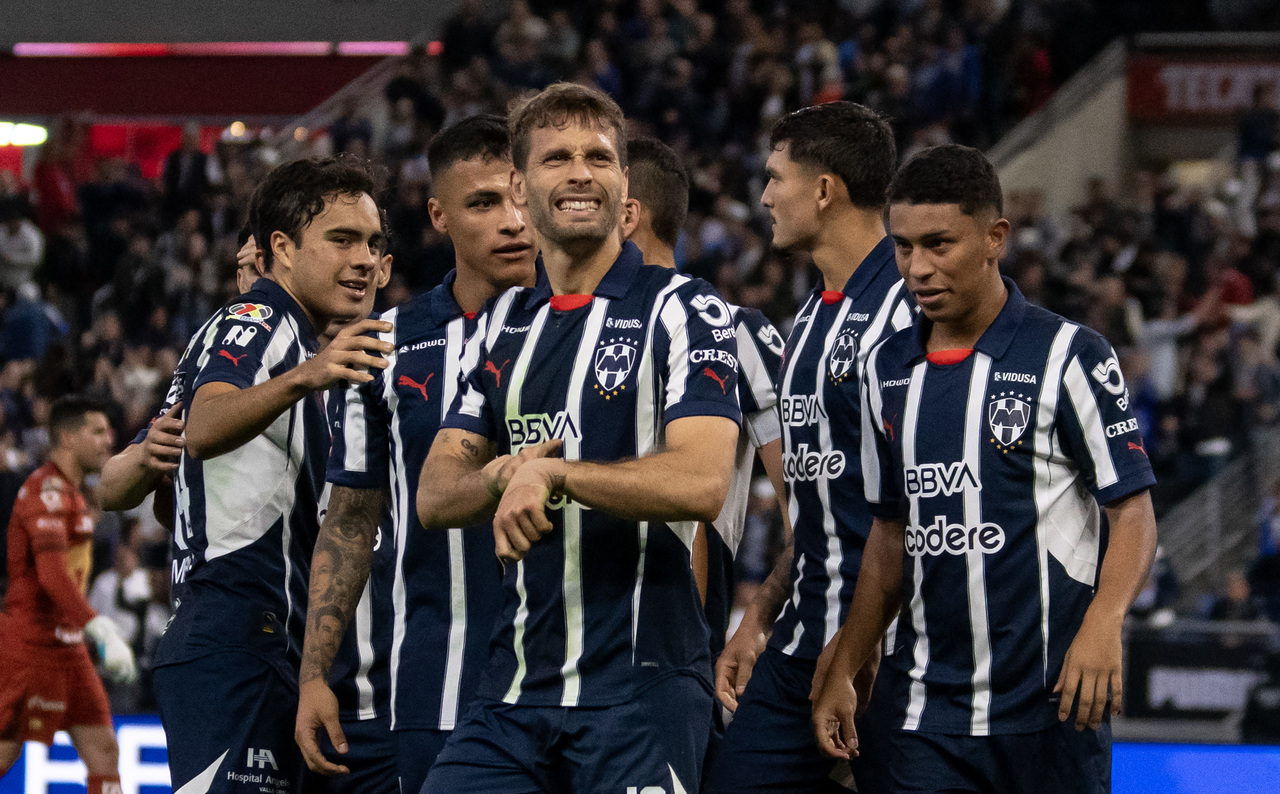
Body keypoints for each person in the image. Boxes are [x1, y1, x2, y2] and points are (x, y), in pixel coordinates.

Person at [418, 82, 740, 793]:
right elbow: (437, 494)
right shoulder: (505, 325)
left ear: (625, 184)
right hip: (512, 695)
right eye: (556, 157)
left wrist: (557, 476)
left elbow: (701, 483)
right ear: (519, 185)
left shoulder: (687, 310)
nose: (580, 173)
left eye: (599, 157)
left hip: (642, 690)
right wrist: (508, 476)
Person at [812, 145, 1159, 793]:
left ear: (994, 237)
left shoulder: (1069, 355)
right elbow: (890, 536)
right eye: (904, 246)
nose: (917, 267)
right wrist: (846, 664)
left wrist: (1106, 621)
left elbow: (1131, 509)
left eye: (939, 244)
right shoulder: (883, 369)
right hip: (922, 715)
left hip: (1053, 706)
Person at [295, 114, 537, 794]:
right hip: (433, 678)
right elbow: (349, 520)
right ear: (439, 215)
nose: (513, 221)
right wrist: (315, 673)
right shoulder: (385, 343)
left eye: (522, 198)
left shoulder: (585, 327)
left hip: (570, 679)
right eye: (485, 203)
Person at [150, 154, 395, 794]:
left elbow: (170, 494)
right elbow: (203, 429)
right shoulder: (263, 322)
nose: (364, 258)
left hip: (254, 642)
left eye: (372, 242)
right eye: (341, 239)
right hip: (234, 637)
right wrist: (307, 376)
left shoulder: (294, 340)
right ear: (280, 250)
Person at [704, 101, 912, 794]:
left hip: (891, 653)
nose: (763, 196)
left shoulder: (913, 308)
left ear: (825, 189)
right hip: (798, 645)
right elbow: (820, 509)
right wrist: (756, 619)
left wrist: (860, 648)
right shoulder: (809, 319)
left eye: (775, 177)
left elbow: (919, 505)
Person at [619, 136, 788, 775]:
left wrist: (755, 623)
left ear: (628, 212)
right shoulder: (549, 330)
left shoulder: (734, 331)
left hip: (680, 651)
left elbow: (807, 513)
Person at [0, 396, 138, 794]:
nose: (108, 440)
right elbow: (52, 577)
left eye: (108, 431)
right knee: (5, 754)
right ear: (66, 437)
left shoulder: (75, 495)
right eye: (96, 431)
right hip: (30, 646)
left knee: (104, 753)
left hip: (69, 648)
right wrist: (101, 629)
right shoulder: (45, 492)